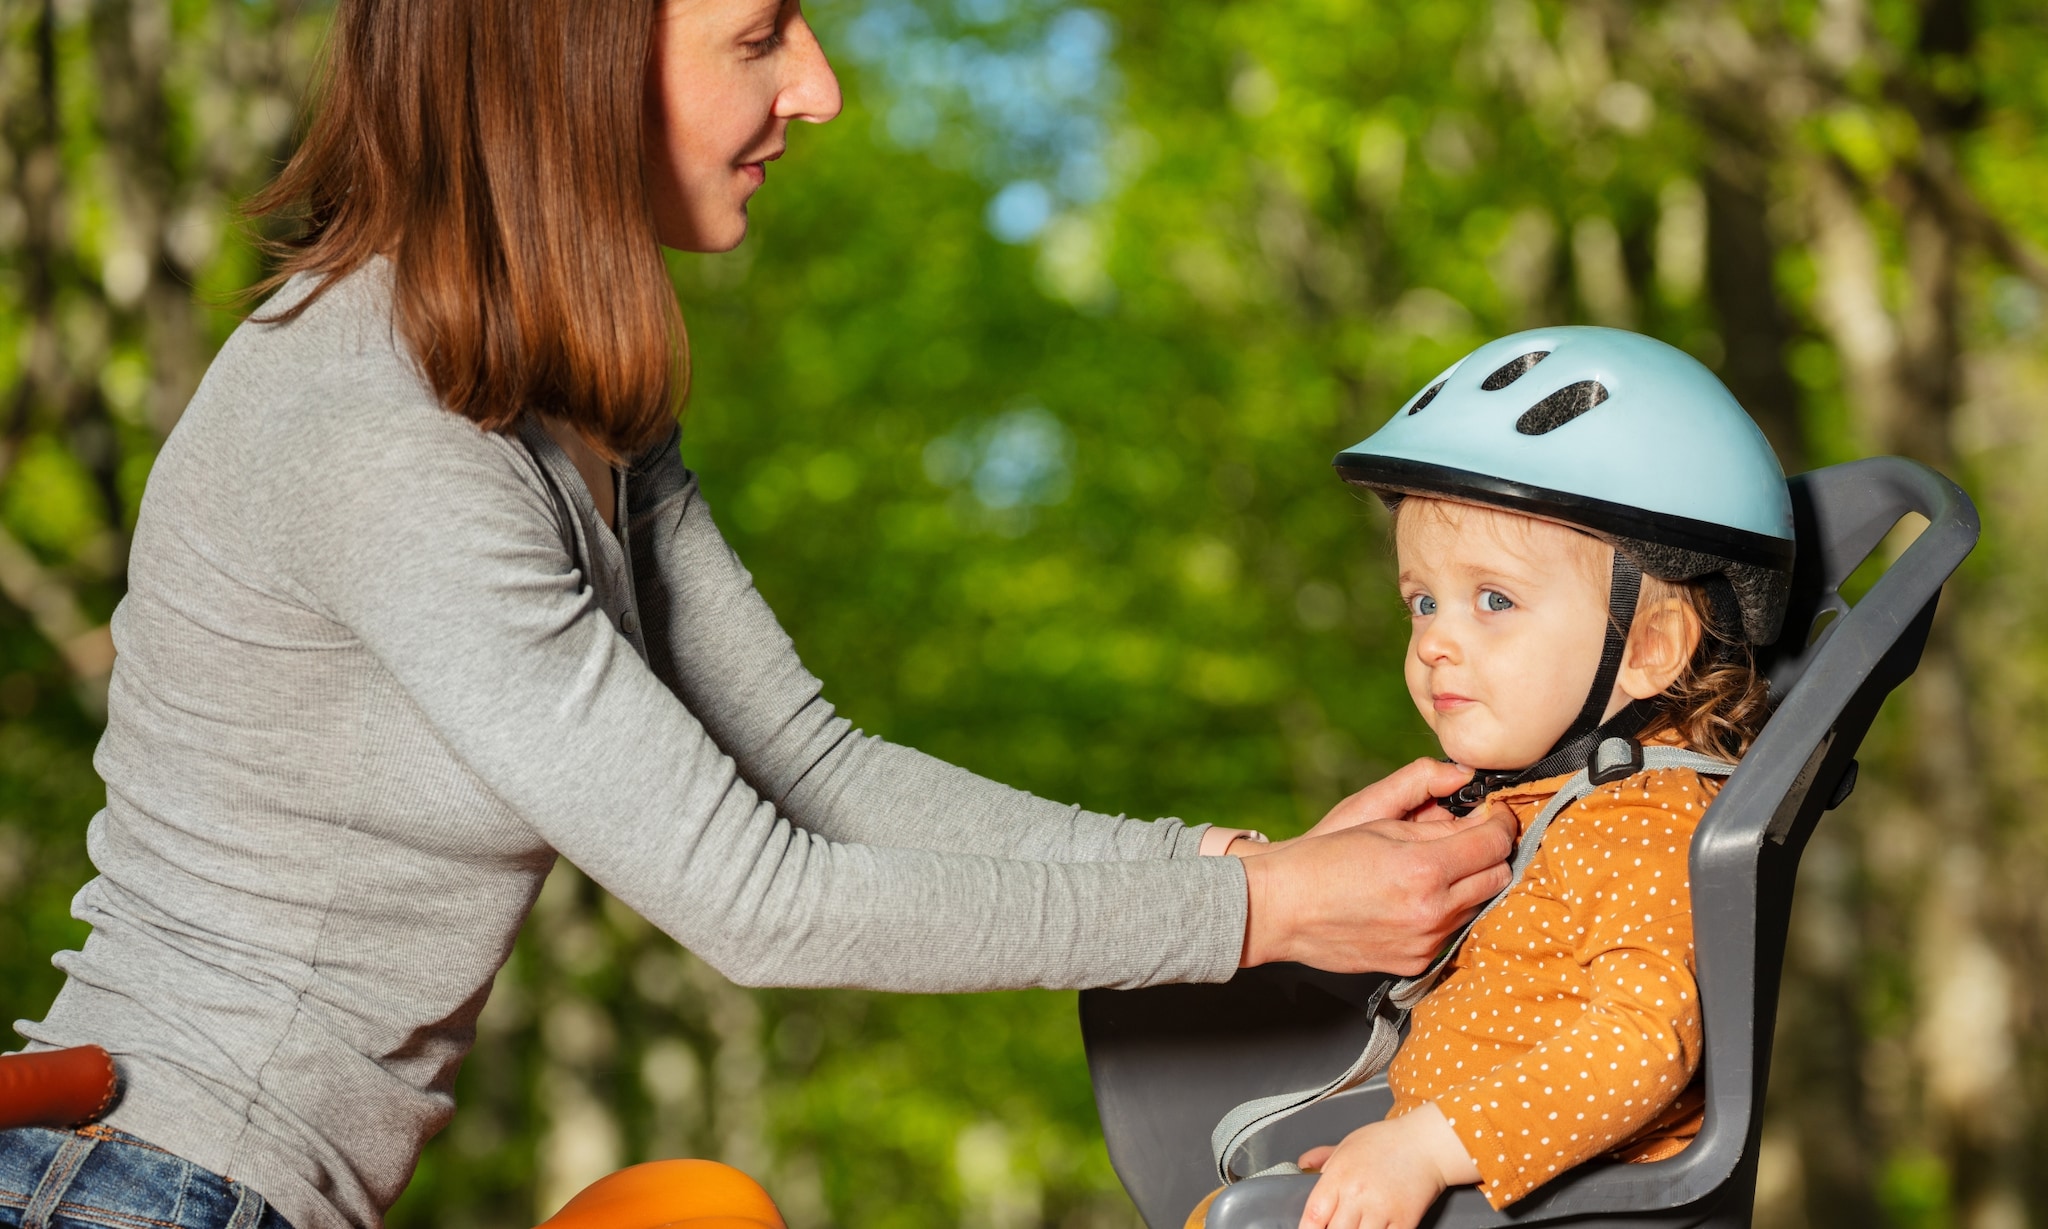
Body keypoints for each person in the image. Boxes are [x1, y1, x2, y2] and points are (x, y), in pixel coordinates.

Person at [0, 4, 1519, 1229]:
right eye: (762, 32)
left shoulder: (563, 399)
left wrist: (1235, 868)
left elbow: (809, 767)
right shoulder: (384, 422)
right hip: (143, 1187)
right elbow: (761, 900)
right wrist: (1276, 919)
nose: (823, 87)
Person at [1186, 327, 1796, 1229]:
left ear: (1652, 645)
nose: (1432, 637)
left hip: (1579, 1207)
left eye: (1494, 600)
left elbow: (1644, 1041)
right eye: (1422, 600)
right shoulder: (1546, 806)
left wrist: (1428, 1148)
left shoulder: (1645, 820)